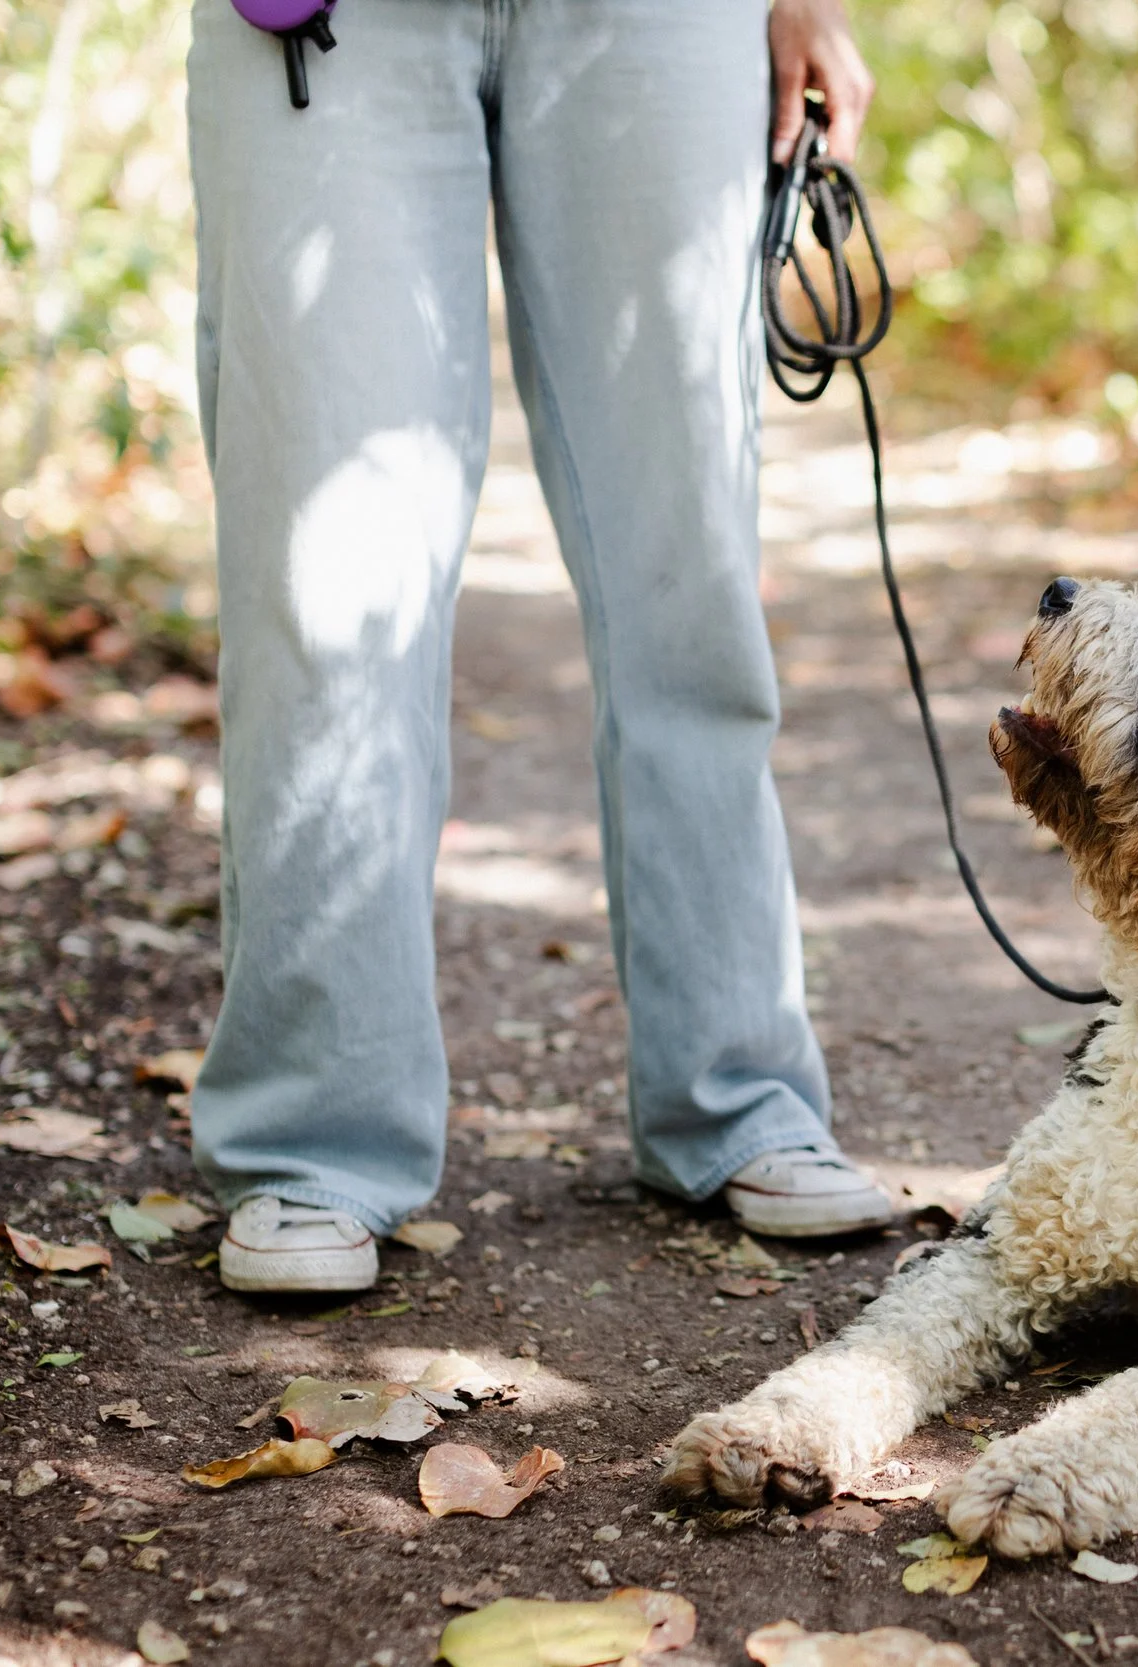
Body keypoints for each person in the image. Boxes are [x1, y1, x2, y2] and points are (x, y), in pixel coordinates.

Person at [184, 0, 894, 1292]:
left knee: (689, 564)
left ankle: (737, 1093)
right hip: (330, 29)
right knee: (322, 579)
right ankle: (309, 1138)